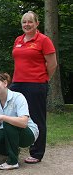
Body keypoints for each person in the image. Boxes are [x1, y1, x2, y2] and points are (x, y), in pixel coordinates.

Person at [10, 11, 57, 164]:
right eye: (24, 22)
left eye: (30, 22)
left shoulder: (44, 40)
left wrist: (44, 78)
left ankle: (37, 153)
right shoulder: (18, 39)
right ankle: (12, 148)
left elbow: (52, 64)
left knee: (36, 118)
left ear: (37, 23)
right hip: (17, 83)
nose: (27, 24)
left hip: (36, 84)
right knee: (13, 116)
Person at [0, 72, 39, 170]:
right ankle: (13, 151)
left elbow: (24, 122)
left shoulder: (18, 97)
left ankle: (12, 162)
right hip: (8, 130)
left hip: (28, 133)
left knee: (8, 121)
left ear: (5, 83)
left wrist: (2, 117)